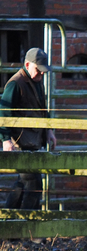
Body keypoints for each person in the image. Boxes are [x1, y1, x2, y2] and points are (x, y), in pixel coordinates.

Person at [0, 47, 57, 209]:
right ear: (27, 64)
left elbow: (42, 109)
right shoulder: (15, 84)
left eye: (43, 71)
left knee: (22, 183)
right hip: (20, 142)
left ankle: (10, 224)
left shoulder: (36, 82)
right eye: (38, 70)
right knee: (34, 182)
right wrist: (5, 140)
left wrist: (49, 131)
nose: (41, 74)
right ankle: (29, 225)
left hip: (32, 140)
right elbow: (3, 113)